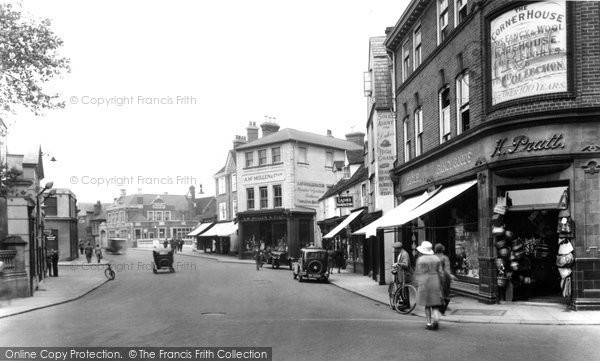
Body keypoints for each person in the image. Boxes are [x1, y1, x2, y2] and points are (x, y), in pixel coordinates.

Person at [414, 241, 443, 330]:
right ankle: (436, 319)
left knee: (427, 304)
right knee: (434, 303)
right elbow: (440, 272)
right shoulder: (436, 259)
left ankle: (429, 323)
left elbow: (418, 272)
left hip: (425, 282)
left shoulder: (420, 260)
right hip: (435, 281)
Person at [434, 243, 455, 314]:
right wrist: (450, 277)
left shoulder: (433, 257)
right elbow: (447, 269)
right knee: (446, 295)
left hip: (434, 278)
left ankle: (438, 309)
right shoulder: (445, 258)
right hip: (444, 278)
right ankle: (442, 310)